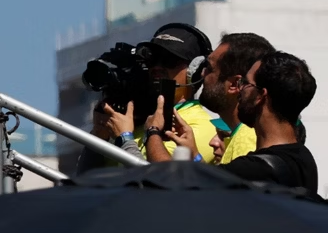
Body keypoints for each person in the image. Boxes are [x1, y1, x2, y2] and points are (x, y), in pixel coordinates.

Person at [76, 23, 218, 172]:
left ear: (195, 71)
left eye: (169, 60)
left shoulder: (203, 127)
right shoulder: (137, 124)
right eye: (152, 59)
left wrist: (125, 138)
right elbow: (86, 180)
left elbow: (161, 182)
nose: (157, 67)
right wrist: (98, 137)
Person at [167, 51, 317, 191]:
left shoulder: (252, 169)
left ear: (260, 96)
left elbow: (182, 187)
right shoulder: (305, 160)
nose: (240, 89)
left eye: (246, 83)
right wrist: (194, 154)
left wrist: (153, 132)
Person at [199, 33, 274, 164]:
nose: (202, 73)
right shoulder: (245, 135)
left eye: (210, 68)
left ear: (234, 84)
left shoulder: (246, 141)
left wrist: (154, 134)